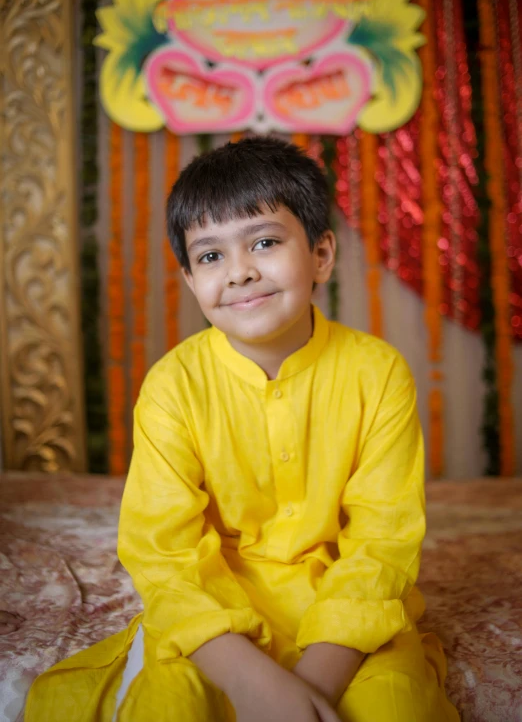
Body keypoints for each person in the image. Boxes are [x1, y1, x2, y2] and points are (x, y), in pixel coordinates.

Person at [25, 136, 460, 722]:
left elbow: (383, 543)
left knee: (393, 707)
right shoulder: (173, 385)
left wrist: (307, 685)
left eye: (264, 242)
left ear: (321, 255)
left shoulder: (377, 373)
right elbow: (164, 552)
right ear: (189, 279)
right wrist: (247, 677)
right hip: (214, 618)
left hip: (345, 620)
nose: (239, 273)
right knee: (169, 707)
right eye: (210, 257)